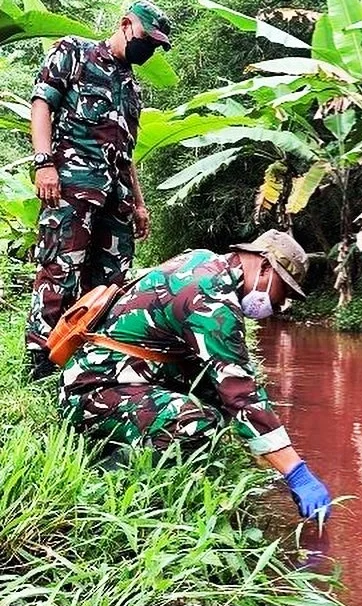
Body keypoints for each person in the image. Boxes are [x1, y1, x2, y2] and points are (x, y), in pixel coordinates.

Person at [58, 229, 333, 521]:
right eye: (283, 291)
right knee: (199, 422)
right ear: (264, 266)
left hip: (110, 377)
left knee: (216, 400)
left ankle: (136, 445)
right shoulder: (213, 299)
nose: (279, 305)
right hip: (93, 392)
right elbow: (241, 394)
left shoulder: (202, 262)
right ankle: (117, 477)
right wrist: (297, 473)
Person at [26, 0, 172, 380]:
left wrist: (139, 204)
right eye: (147, 39)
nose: (149, 49)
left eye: (156, 46)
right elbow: (42, 103)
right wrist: (44, 163)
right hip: (71, 186)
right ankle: (41, 355)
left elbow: (127, 153)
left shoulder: (132, 89)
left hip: (116, 197)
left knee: (111, 280)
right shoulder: (75, 52)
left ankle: (88, 354)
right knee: (60, 267)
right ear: (126, 25)